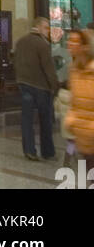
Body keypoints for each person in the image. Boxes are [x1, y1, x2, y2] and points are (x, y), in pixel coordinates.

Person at [13, 17, 59, 161]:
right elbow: (49, 68)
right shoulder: (42, 44)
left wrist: (20, 80)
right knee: (45, 121)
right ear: (38, 27)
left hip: (24, 85)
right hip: (41, 87)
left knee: (26, 120)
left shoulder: (20, 42)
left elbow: (16, 63)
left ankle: (29, 150)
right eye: (46, 28)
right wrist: (55, 87)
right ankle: (48, 152)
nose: (48, 31)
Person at [65, 28, 94, 175]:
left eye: (75, 41)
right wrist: (71, 120)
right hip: (84, 141)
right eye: (69, 40)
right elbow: (75, 103)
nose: (70, 44)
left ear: (86, 46)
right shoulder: (74, 71)